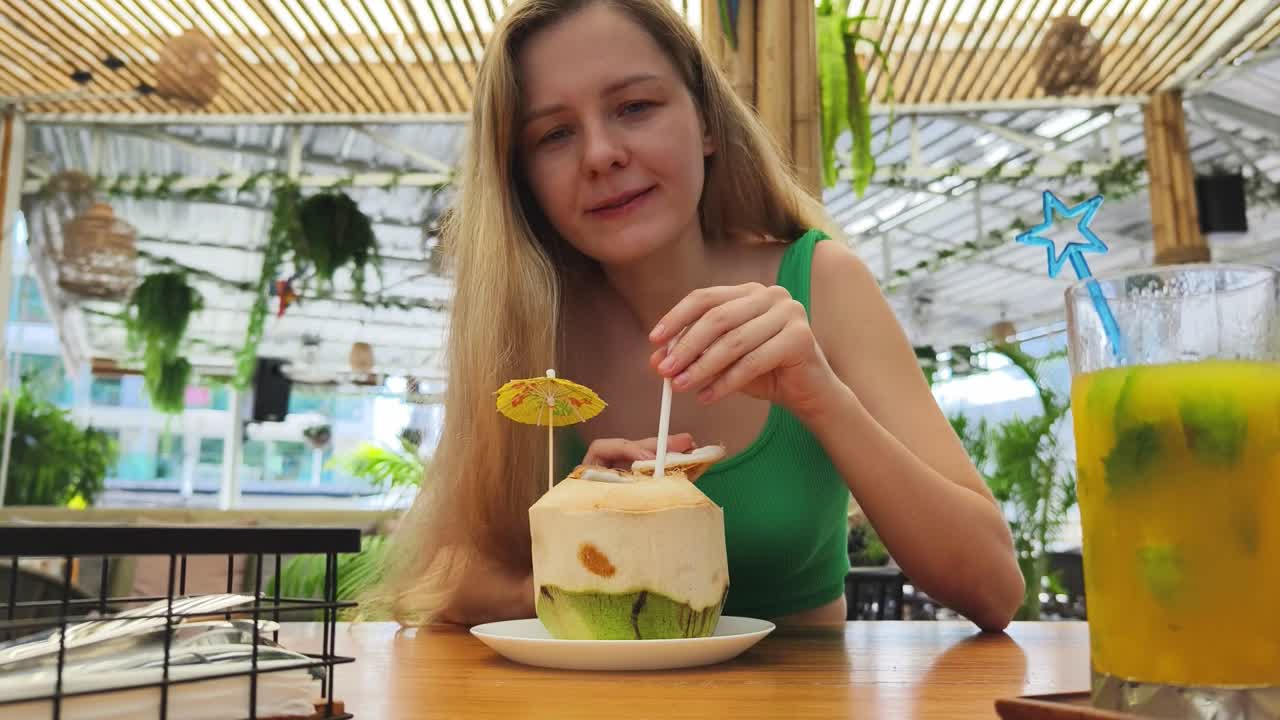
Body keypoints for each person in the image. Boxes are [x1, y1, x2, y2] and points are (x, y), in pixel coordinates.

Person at [366, 0, 1024, 633]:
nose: (600, 153)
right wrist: (581, 538)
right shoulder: (525, 325)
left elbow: (994, 590)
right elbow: (442, 576)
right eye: (554, 134)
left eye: (635, 106)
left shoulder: (820, 282)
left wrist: (823, 397)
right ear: (522, 178)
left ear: (708, 121)